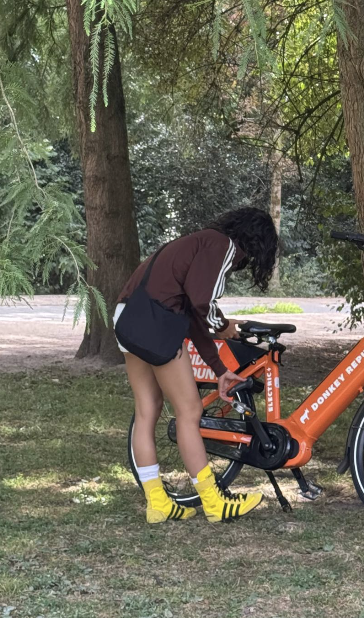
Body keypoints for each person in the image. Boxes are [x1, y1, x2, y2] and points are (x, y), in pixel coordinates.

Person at [115, 206, 278, 525]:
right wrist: (224, 325)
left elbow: (192, 318)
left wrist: (219, 370)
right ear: (255, 243)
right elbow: (204, 304)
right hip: (157, 323)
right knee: (189, 412)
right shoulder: (222, 245)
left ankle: (157, 503)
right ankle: (213, 502)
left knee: (147, 411)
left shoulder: (194, 244)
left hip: (128, 316)